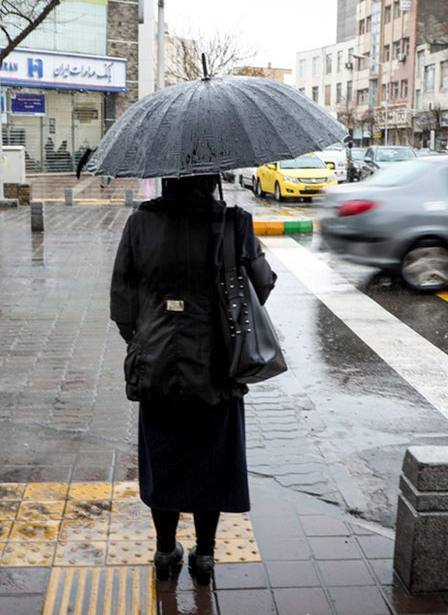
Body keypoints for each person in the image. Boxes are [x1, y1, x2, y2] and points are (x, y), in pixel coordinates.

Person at [110, 174, 277, 586]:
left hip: (157, 367)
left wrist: (144, 337)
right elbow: (262, 286)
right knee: (212, 463)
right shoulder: (234, 222)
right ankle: (205, 554)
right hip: (217, 368)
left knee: (164, 460)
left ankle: (166, 550)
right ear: (212, 175)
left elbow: (122, 302)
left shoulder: (140, 223)